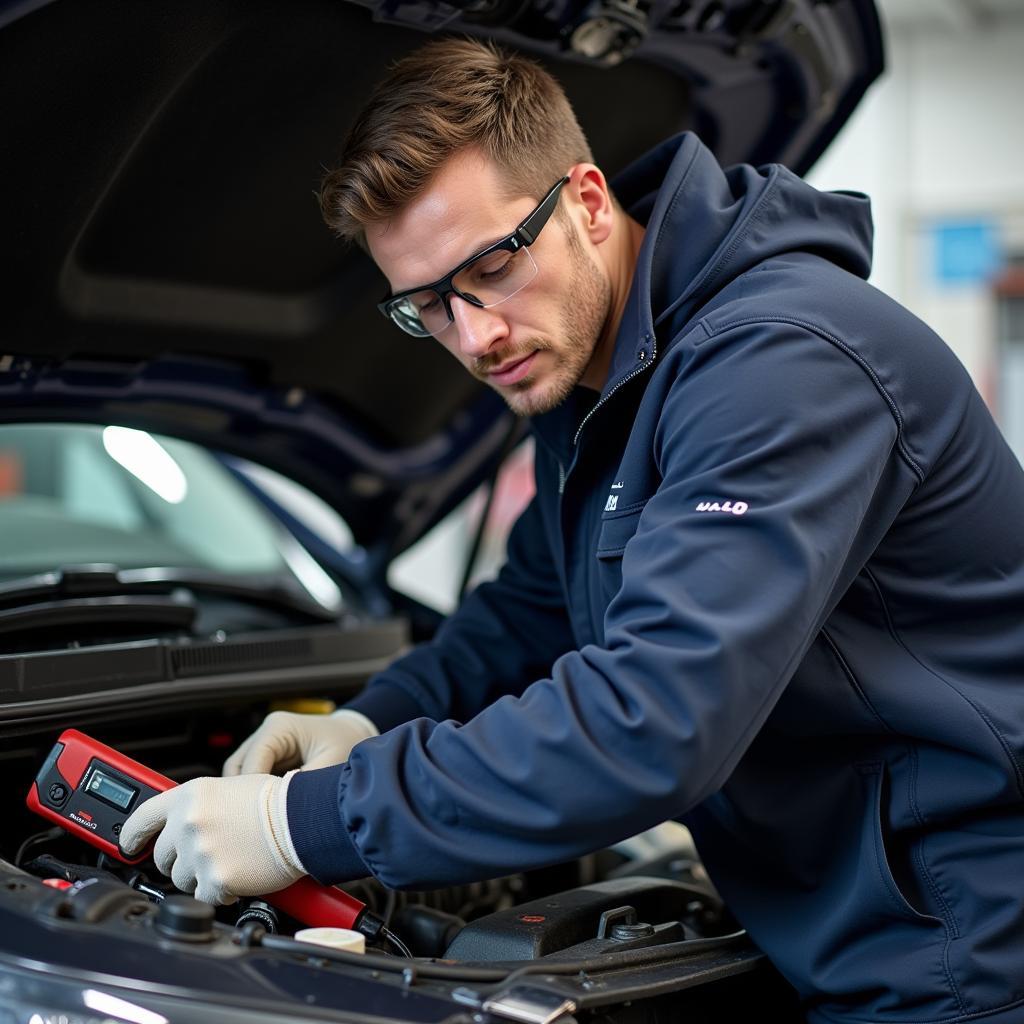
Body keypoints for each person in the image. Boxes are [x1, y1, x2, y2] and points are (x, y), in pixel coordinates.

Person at [121, 37, 1024, 1024]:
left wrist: (306, 825)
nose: (477, 338)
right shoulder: (604, 369)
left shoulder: (779, 364)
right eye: (429, 306)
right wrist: (367, 719)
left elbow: (651, 721)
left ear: (588, 202)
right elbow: (538, 605)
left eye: (491, 268)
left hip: (960, 945)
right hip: (839, 912)